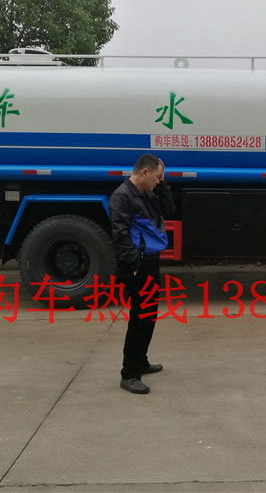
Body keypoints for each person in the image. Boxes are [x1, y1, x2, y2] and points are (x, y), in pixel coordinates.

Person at [109, 153, 175, 394]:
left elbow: (169, 209)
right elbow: (119, 236)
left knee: (149, 314)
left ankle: (141, 361)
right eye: (157, 178)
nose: (158, 182)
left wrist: (164, 183)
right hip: (137, 265)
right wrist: (136, 265)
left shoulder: (146, 193)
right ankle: (129, 374)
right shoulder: (122, 196)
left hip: (150, 261)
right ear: (144, 172)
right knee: (139, 318)